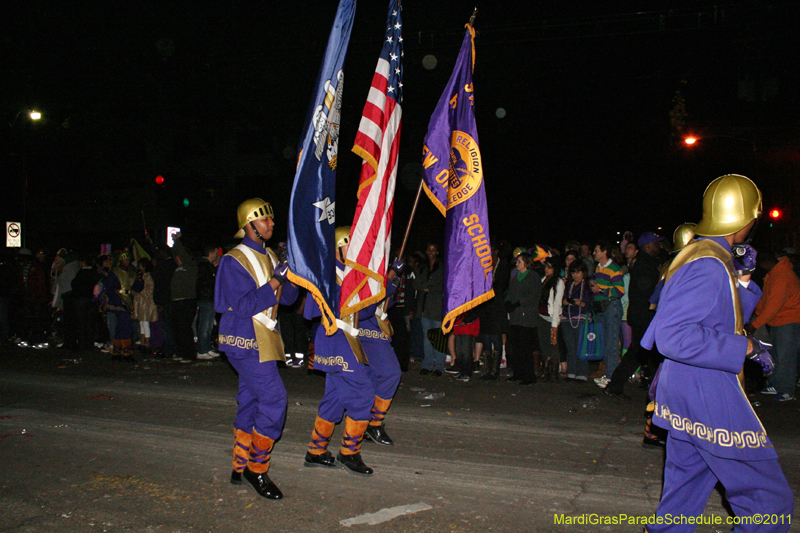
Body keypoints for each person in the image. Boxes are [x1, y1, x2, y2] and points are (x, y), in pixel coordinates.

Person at [641, 174, 793, 531]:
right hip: (706, 391)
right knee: (768, 501)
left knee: (685, 494)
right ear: (745, 220)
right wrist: (747, 346)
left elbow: (719, 312)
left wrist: (742, 280)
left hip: (685, 392)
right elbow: (674, 335)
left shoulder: (703, 253)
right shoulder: (708, 263)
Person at [215, 198, 297, 500]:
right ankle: (256, 469)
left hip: (264, 338)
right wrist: (277, 278)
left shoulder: (271, 254)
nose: (271, 224)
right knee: (274, 399)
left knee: (250, 399)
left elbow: (285, 300)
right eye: (265, 220)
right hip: (244, 339)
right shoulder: (233, 260)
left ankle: (239, 465)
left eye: (271, 219)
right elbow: (246, 305)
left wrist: (294, 276)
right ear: (248, 226)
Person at [303, 226, 376, 475]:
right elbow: (311, 312)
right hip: (334, 340)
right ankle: (349, 453)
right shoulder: (326, 276)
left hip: (350, 341)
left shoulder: (350, 273)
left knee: (334, 398)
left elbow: (364, 313)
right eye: (350, 245)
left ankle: (316, 450)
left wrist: (373, 287)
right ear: (338, 247)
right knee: (364, 394)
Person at [746, 249, 800, 402]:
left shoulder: (782, 277)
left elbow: (772, 307)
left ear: (763, 263)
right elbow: (766, 302)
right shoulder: (774, 274)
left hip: (790, 321)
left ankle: (786, 390)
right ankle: (777, 384)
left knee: (786, 357)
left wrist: (755, 324)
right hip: (780, 321)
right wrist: (756, 313)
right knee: (777, 355)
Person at [590, 240, 625, 388]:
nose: (594, 253)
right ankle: (608, 373)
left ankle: (612, 377)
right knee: (604, 343)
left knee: (611, 344)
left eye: (596, 250)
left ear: (604, 252)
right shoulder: (598, 268)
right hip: (601, 308)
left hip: (611, 307)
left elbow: (619, 291)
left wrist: (601, 290)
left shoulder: (613, 268)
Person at [505, 252, 542, 385]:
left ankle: (529, 376)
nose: (517, 264)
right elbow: (509, 293)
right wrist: (508, 302)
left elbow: (535, 295)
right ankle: (518, 373)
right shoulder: (516, 277)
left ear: (526, 263)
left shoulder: (533, 277)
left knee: (525, 348)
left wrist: (520, 302)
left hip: (527, 318)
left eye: (519, 262)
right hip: (516, 317)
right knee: (515, 347)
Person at [414, 243, 446, 376]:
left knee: (438, 337)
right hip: (424, 307)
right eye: (429, 249)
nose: (431, 252)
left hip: (437, 306)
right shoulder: (422, 267)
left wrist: (427, 287)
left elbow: (442, 285)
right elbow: (415, 284)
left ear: (437, 252)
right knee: (427, 338)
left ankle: (439, 366)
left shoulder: (442, 267)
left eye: (433, 250)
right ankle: (427, 364)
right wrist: (427, 287)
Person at [169, 233, 198, 364]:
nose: (176, 258)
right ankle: (181, 351)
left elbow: (182, 253)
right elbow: (175, 252)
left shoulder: (190, 266)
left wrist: (178, 241)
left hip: (187, 301)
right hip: (176, 302)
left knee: (185, 329)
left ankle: (189, 354)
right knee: (177, 329)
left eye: (179, 257)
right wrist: (174, 244)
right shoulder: (178, 268)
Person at [561, 260, 592, 382]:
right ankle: (571, 372)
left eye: (578, 272)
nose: (575, 275)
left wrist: (582, 303)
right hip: (567, 318)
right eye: (573, 272)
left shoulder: (588, 285)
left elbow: (591, 302)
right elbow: (563, 299)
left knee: (581, 347)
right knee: (570, 347)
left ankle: (582, 373)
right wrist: (566, 301)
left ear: (583, 272)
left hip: (581, 318)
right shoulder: (569, 285)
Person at [537, 256, 564, 381]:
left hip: (552, 318)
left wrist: (555, 323)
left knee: (553, 345)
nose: (546, 270)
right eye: (546, 267)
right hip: (541, 316)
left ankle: (553, 373)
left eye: (549, 267)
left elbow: (558, 303)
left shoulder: (558, 282)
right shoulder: (543, 280)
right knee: (544, 345)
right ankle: (545, 371)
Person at [196, 245, 220, 360]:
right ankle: (202, 350)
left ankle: (206, 348)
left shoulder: (208, 265)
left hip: (209, 298)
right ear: (210, 253)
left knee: (209, 325)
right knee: (205, 325)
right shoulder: (203, 265)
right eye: (216, 252)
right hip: (206, 298)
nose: (217, 255)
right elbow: (204, 282)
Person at [132, 258, 158, 353]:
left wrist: (139, 291)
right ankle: (143, 343)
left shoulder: (148, 277)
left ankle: (147, 344)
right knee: (142, 323)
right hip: (141, 303)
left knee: (145, 323)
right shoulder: (142, 276)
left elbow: (149, 291)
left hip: (146, 304)